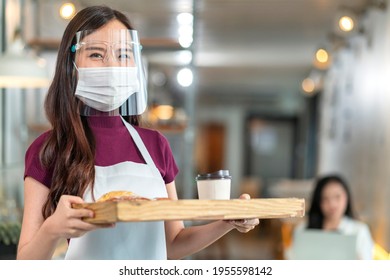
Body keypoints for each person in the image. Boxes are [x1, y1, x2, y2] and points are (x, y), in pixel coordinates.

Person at [16, 5, 259, 260]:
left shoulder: (156, 145)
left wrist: (228, 222)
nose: (113, 65)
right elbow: (25, 263)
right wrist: (52, 229)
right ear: (70, 65)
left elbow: (173, 243)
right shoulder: (49, 149)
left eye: (124, 55)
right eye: (97, 54)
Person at [289, 174, 374, 260]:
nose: (332, 204)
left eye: (337, 197)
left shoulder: (359, 230)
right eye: (325, 199)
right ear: (318, 202)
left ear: (347, 197)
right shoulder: (302, 230)